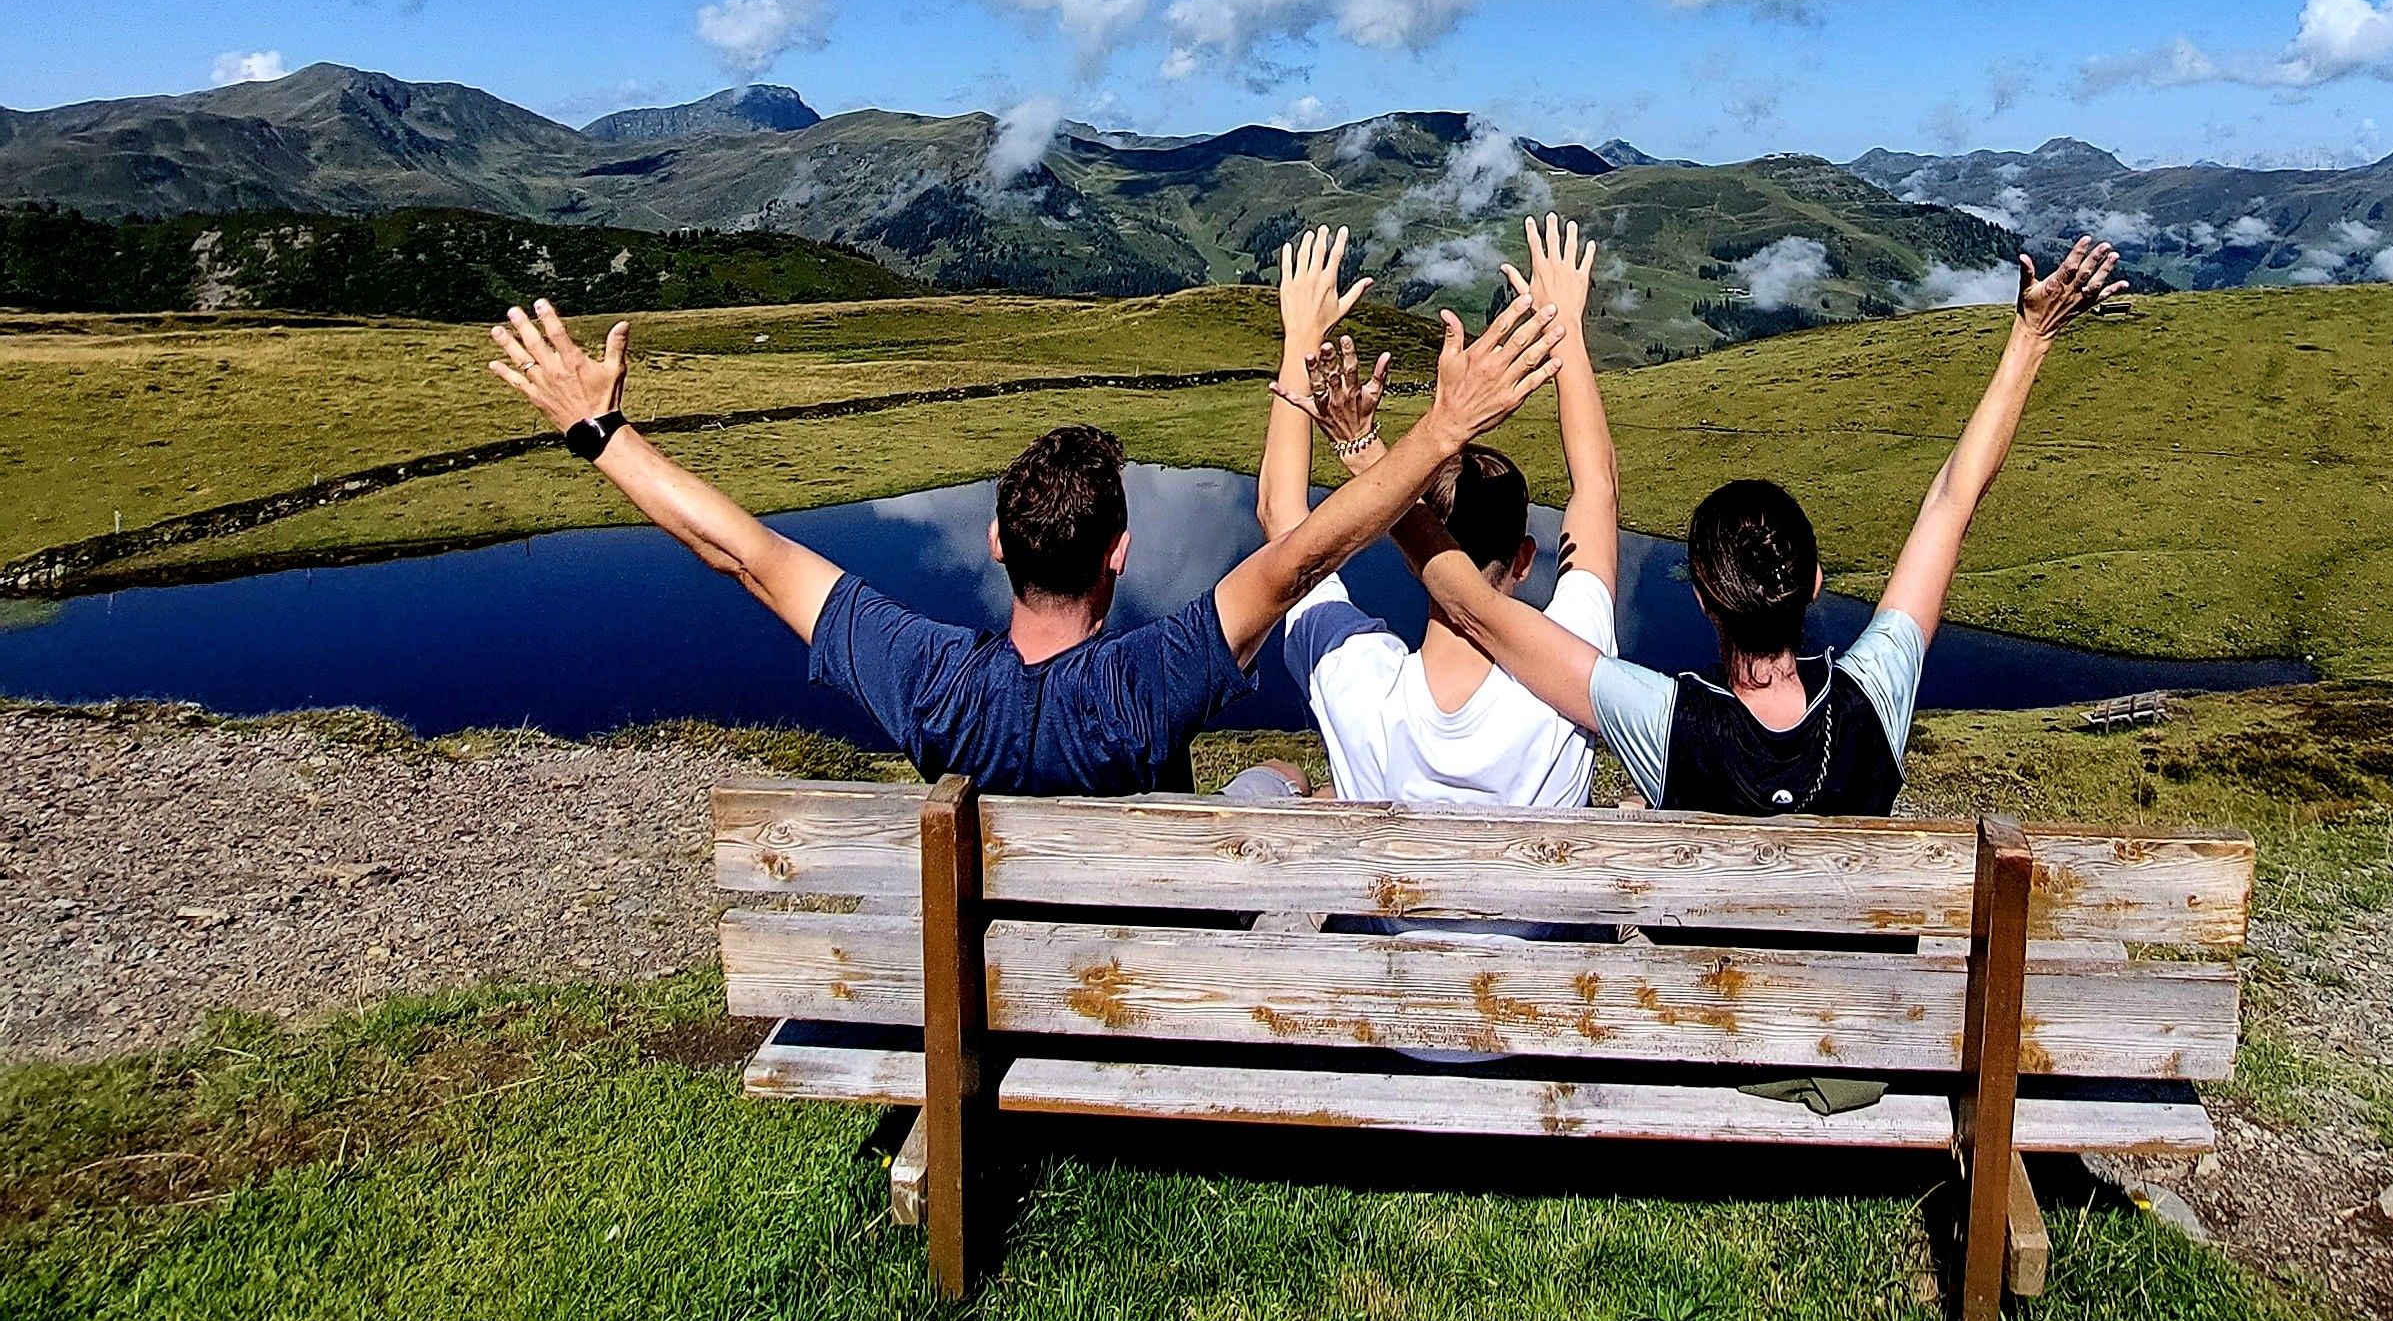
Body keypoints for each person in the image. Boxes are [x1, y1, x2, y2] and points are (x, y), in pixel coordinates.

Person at [478, 290, 1566, 795]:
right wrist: (1438, 430)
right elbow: (1299, 556)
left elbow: (745, 553)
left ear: (996, 542)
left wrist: (601, 432)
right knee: (1270, 787)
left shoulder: (928, 679)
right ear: (1120, 553)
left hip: (988, 997)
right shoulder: (1150, 680)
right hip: (1132, 992)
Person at [1306, 235, 2127, 817]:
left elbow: (1474, 604)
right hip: (1859, 1020)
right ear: (1813, 584)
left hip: (1703, 1020)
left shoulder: (1664, 721)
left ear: (1701, 597)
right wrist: (2030, 338)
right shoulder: (1876, 696)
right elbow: (1953, 500)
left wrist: (1367, 450)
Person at [1251, 217, 1619, 808]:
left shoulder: (1357, 681)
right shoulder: (1570, 668)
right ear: (1525, 557)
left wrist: (1302, 340)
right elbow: (1597, 488)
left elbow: (1281, 515)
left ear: (1410, 551)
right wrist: (1564, 330)